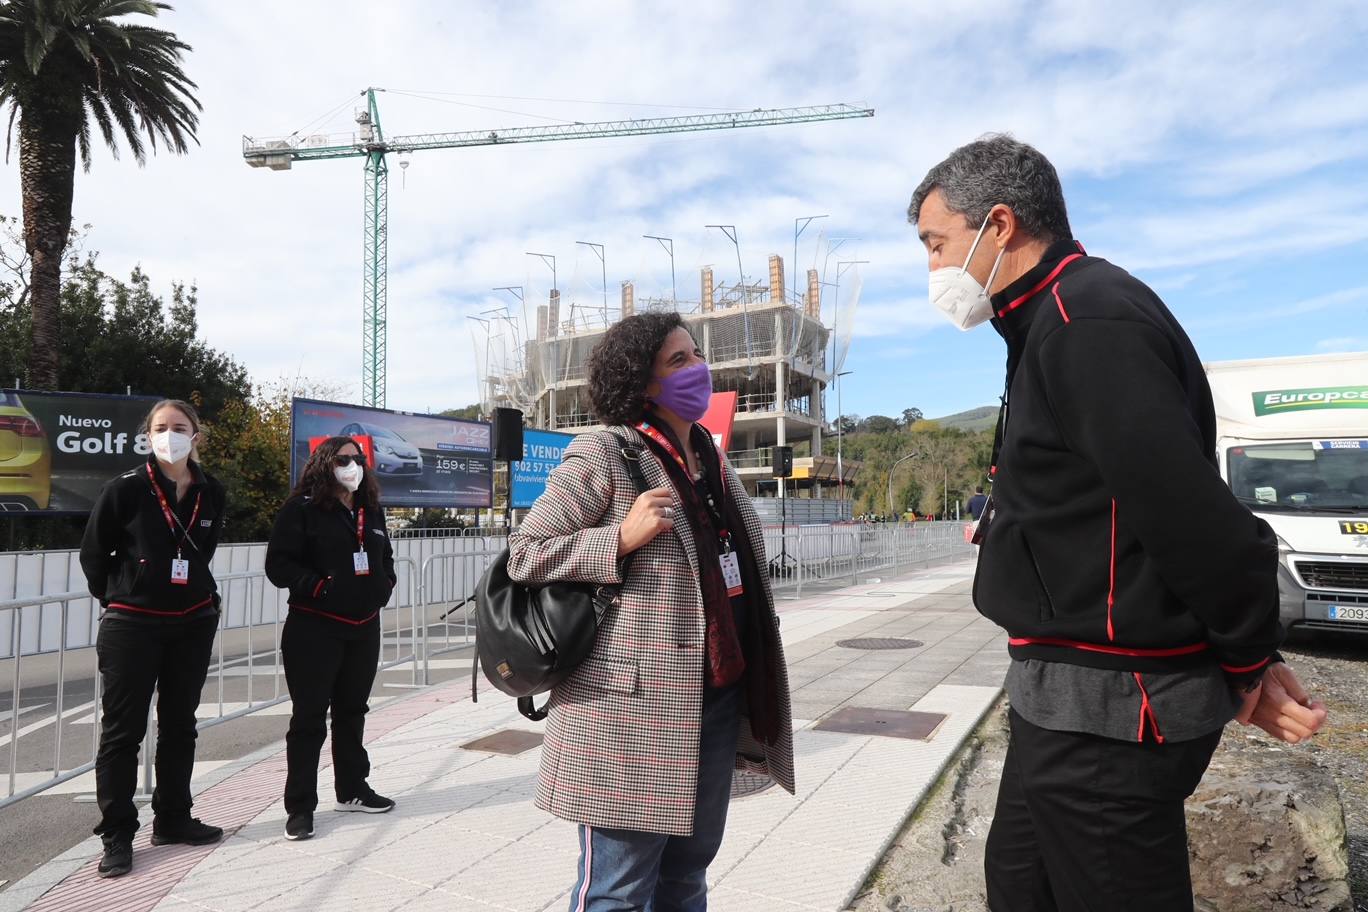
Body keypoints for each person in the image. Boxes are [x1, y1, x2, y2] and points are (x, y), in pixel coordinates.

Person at [907, 135, 1328, 911]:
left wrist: (1247, 658)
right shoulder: (1044, 321)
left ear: (999, 224)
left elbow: (1188, 511)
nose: (933, 269)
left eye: (937, 244)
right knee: (1022, 886)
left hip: (1112, 705)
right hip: (1059, 694)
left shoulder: (1085, 322)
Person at [507, 312, 794, 911]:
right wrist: (618, 539)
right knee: (618, 889)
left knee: (688, 874)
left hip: (714, 696)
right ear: (642, 384)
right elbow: (526, 554)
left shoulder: (711, 463)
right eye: (679, 361)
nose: (699, 370)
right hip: (628, 710)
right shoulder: (605, 455)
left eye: (696, 354)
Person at [79, 399, 227, 878]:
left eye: (179, 427)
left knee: (180, 724)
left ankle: (174, 818)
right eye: (161, 427)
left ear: (196, 436)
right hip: (132, 624)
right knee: (123, 732)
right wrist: (123, 596)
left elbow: (201, 551)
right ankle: (118, 833)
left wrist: (202, 599)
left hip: (192, 621)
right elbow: (94, 555)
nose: (170, 434)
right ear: (148, 435)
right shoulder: (124, 488)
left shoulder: (212, 492)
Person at [265, 436, 397, 842]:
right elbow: (278, 565)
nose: (353, 466)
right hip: (314, 627)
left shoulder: (370, 508)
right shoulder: (300, 509)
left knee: (352, 711)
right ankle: (300, 807)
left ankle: (352, 789)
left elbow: (384, 558)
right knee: (308, 719)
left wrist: (383, 586)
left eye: (358, 460)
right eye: (343, 459)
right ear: (325, 463)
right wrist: (318, 587)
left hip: (364, 626)